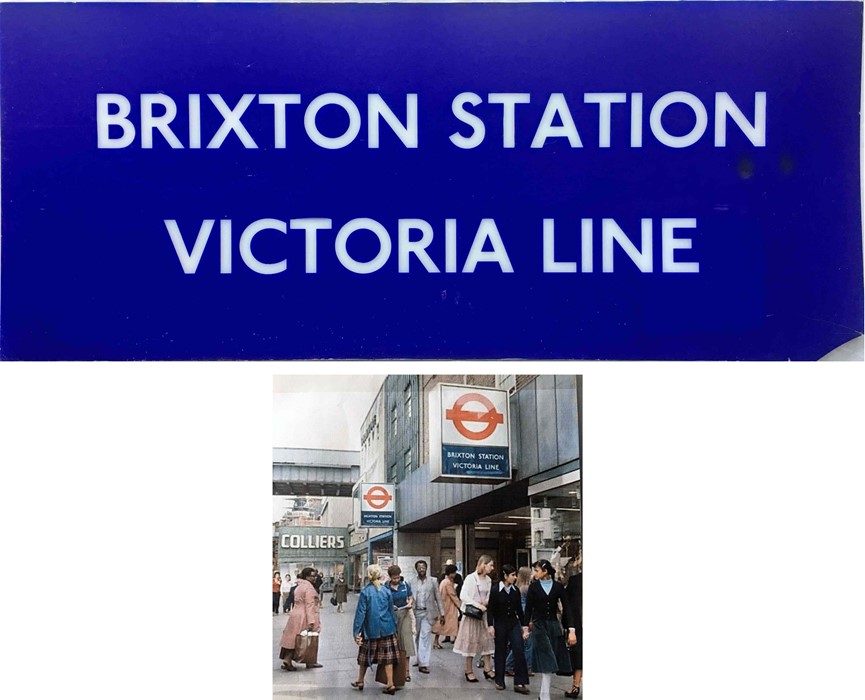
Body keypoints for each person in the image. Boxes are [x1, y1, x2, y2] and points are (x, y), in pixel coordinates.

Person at [525, 559, 572, 700]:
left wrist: (571, 628)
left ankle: (543, 695)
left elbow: (567, 607)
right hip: (539, 625)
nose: (534, 573)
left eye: (537, 570)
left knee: (550, 660)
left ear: (545, 571)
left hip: (553, 625)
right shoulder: (533, 587)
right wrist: (525, 627)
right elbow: (528, 608)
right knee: (548, 657)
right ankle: (545, 696)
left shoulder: (558, 587)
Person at [351, 564, 400, 695]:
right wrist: (394, 626)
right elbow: (391, 611)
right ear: (380, 575)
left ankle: (360, 680)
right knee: (388, 658)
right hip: (387, 629)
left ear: (368, 576)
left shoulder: (365, 592)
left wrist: (356, 632)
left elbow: (360, 613)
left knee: (364, 657)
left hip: (371, 630)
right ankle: (390, 683)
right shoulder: (386, 591)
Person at [487, 564, 531, 694]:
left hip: (513, 623)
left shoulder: (515, 590)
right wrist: (490, 625)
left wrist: (524, 626)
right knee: (500, 650)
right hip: (500, 623)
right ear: (505, 576)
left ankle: (520, 682)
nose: (515, 577)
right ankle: (499, 680)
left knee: (519, 649)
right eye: (512, 575)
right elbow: (491, 609)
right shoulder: (495, 590)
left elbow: (519, 610)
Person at [453, 554, 496, 682]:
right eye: (490, 565)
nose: (492, 568)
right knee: (470, 642)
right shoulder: (471, 578)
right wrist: (477, 605)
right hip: (472, 614)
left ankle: (487, 668)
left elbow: (489, 595)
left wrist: (486, 602)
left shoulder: (488, 580)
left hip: (483, 614)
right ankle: (469, 670)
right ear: (484, 564)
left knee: (487, 640)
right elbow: (463, 596)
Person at [278, 567, 323, 671]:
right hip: (304, 615)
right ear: (306, 576)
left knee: (292, 638)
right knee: (306, 638)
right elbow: (309, 605)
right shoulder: (309, 588)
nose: (315, 578)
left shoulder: (299, 586)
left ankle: (287, 660)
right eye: (312, 576)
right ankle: (309, 661)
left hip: (295, 614)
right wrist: (311, 621)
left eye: (315, 576)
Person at [409, 560, 443, 675]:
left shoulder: (433, 581)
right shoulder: (411, 582)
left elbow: (438, 598)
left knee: (425, 637)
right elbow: (409, 597)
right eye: (419, 567)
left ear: (426, 568)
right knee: (418, 637)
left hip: (428, 613)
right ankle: (419, 659)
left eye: (423, 567)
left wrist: (442, 613)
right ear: (416, 569)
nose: (421, 569)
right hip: (416, 613)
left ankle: (423, 663)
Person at [387, 565, 416, 682]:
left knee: (406, 643)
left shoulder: (404, 584)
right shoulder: (386, 587)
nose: (396, 580)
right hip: (392, 616)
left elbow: (411, 597)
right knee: (394, 644)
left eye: (398, 577)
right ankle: (395, 672)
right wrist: (391, 606)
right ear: (390, 577)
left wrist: (410, 603)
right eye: (394, 578)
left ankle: (406, 671)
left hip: (405, 614)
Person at [506, 566, 534, 677]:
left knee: (519, 643)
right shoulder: (527, 588)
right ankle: (525, 667)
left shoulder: (516, 587)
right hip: (525, 617)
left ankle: (510, 665)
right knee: (527, 644)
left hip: (517, 617)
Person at [563, 553, 583, 699]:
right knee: (578, 655)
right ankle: (575, 686)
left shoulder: (575, 581)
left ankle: (575, 687)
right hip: (579, 624)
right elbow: (568, 606)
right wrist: (569, 627)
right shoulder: (575, 581)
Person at [432, 564, 460, 649]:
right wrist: (460, 606)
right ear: (451, 573)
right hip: (448, 606)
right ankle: (457, 642)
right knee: (451, 623)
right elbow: (453, 595)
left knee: (441, 624)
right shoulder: (448, 583)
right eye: (454, 572)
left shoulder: (444, 581)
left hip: (443, 605)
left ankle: (436, 641)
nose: (455, 574)